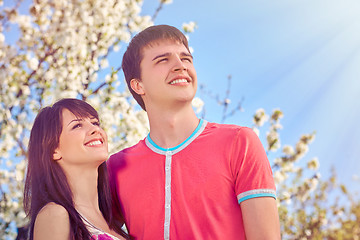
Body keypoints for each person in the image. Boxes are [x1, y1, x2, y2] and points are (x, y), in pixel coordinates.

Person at [107, 25, 281, 240]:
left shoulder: (240, 142)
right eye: (163, 60)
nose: (180, 66)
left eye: (186, 59)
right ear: (138, 85)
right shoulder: (115, 168)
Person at [24, 98, 130, 240]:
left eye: (95, 123)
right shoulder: (55, 215)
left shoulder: (117, 223)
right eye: (77, 126)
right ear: (54, 150)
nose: (95, 129)